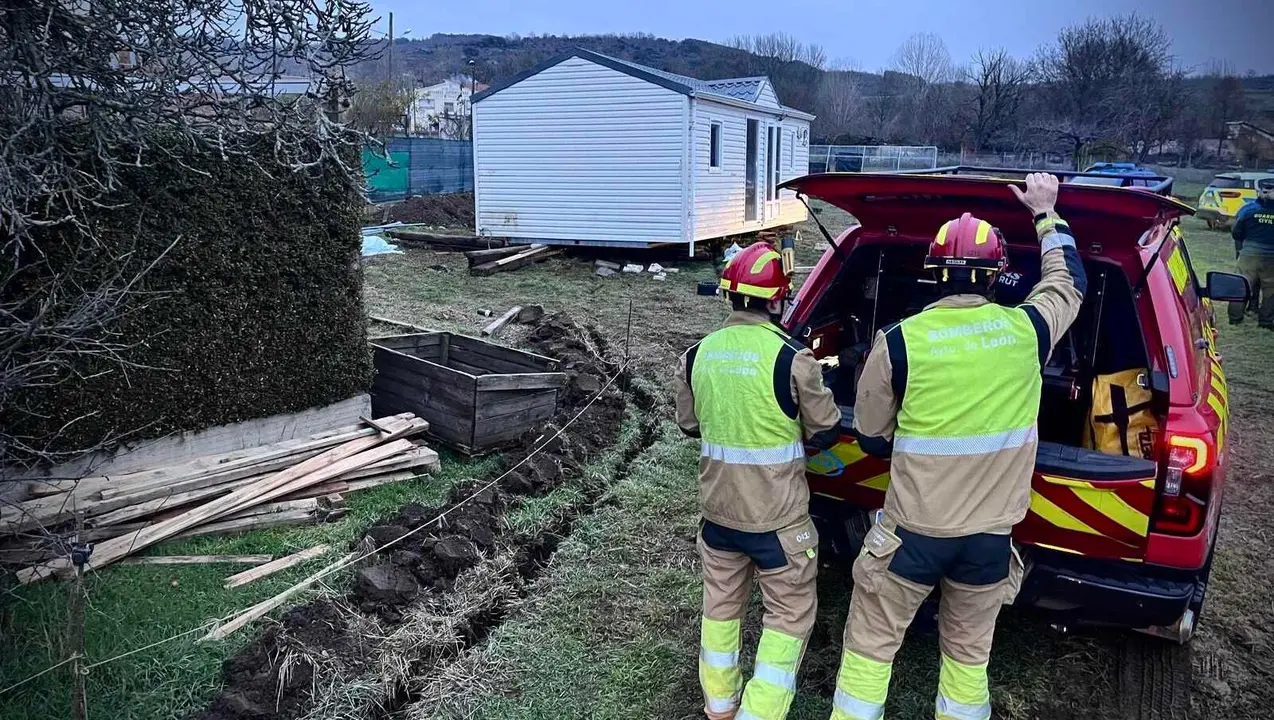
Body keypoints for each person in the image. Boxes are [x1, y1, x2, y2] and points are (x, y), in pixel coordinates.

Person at [826, 173, 1087, 720]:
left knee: (872, 645)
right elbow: (1069, 283)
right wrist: (1046, 213)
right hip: (988, 543)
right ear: (997, 276)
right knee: (969, 659)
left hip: (910, 538)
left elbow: (872, 438)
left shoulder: (898, 342)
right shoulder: (1027, 332)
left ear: (932, 276)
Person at [675, 242, 842, 720]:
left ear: (729, 296)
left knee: (721, 612)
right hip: (779, 524)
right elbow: (826, 429)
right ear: (776, 300)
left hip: (718, 517)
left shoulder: (696, 354)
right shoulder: (792, 358)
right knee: (788, 617)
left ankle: (720, 706)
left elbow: (690, 425)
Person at [1229, 178, 1274, 329]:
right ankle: (1266, 322)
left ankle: (1235, 319)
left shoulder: (1249, 212)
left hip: (1250, 254)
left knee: (1241, 285)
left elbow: (1236, 233)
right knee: (1270, 290)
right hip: (1272, 257)